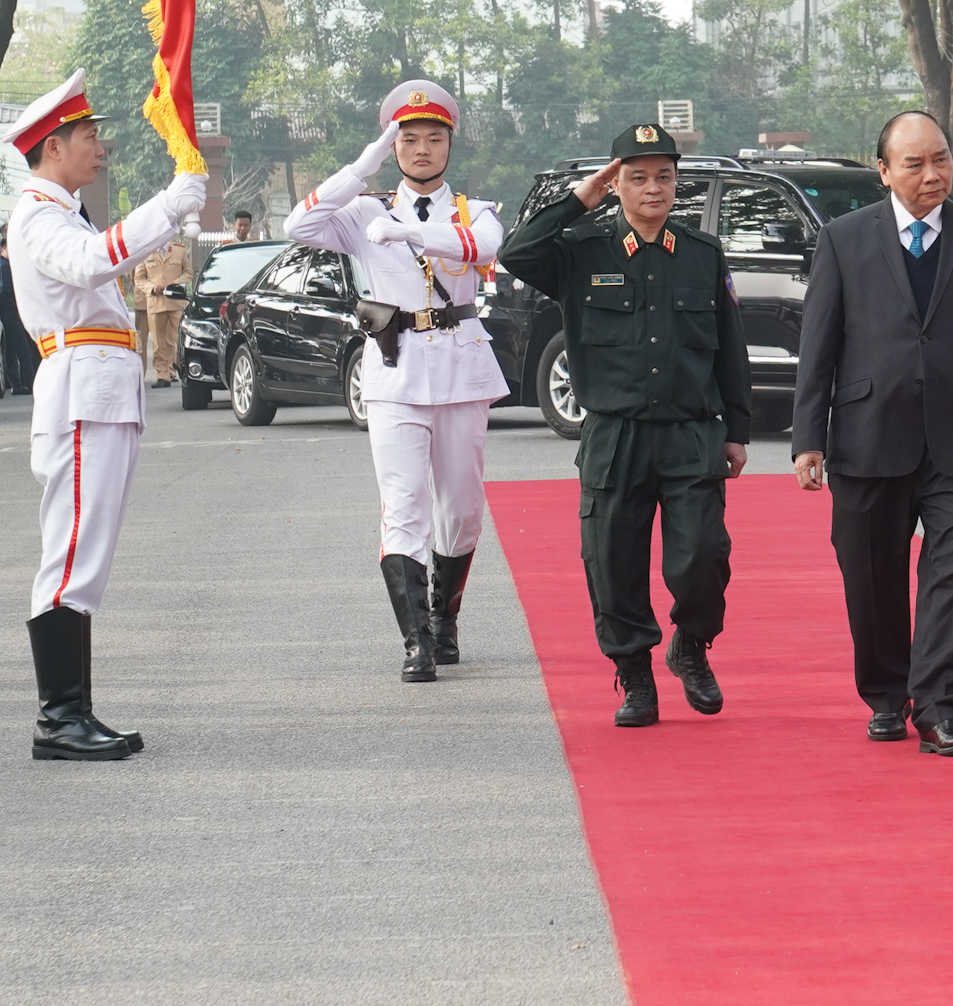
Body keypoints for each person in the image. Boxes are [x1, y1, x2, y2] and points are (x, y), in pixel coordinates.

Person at [791, 110, 953, 757]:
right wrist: (808, 435)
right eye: (915, 163)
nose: (933, 175)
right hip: (868, 437)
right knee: (871, 575)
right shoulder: (843, 239)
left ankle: (941, 706)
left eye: (942, 160)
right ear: (883, 171)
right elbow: (819, 344)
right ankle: (886, 694)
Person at [501, 124, 750, 727]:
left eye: (664, 176)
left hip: (691, 432)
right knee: (611, 562)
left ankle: (690, 645)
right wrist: (578, 198)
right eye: (636, 177)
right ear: (616, 185)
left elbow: (729, 349)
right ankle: (635, 674)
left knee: (703, 557)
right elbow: (515, 252)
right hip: (615, 435)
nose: (653, 188)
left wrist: (737, 429)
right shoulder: (581, 252)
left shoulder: (701, 252)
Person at [7, 69, 206, 760]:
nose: (101, 148)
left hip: (99, 385)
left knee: (84, 553)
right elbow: (92, 266)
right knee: (71, 555)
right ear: (54, 146)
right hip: (81, 389)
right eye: (90, 137)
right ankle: (60, 717)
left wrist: (169, 216)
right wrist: (164, 205)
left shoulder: (59, 209)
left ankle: (70, 711)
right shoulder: (35, 213)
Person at [286, 81, 510, 683]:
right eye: (406, 139)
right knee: (403, 506)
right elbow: (298, 223)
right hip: (393, 371)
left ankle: (445, 618)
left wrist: (411, 234)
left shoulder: (474, 211)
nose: (421, 149)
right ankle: (416, 641)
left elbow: (482, 248)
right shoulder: (362, 213)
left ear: (449, 146)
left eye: (433, 138)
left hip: (461, 370)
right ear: (394, 146)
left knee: (461, 509)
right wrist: (363, 166)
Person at [130, 231, 192, 388]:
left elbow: (188, 272)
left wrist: (175, 284)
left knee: (178, 339)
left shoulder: (180, 250)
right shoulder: (145, 253)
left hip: (175, 302)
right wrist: (152, 288)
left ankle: (178, 367)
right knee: (158, 342)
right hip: (155, 302)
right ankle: (162, 375)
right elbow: (139, 279)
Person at [1, 227, 42, 395]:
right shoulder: (4, 266)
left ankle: (17, 383)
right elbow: (5, 290)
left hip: (9, 311)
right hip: (9, 311)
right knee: (21, 348)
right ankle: (28, 382)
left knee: (10, 349)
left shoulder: (6, 265)